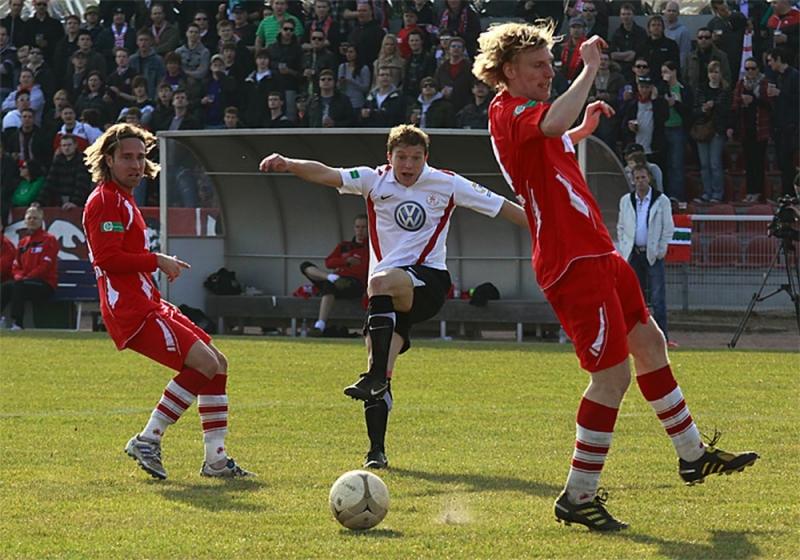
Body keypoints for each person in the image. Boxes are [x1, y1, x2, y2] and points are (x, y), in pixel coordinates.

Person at [473, 20, 758, 531]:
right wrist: (589, 70)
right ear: (509, 70)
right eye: (538, 66)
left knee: (649, 343)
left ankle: (692, 454)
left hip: (596, 251)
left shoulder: (529, 116)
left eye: (550, 65)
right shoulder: (507, 110)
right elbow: (549, 128)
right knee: (611, 376)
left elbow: (553, 140)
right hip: (571, 260)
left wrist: (581, 130)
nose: (548, 74)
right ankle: (577, 496)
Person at [258, 124, 528, 469]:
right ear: (389, 157)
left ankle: (373, 379)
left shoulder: (447, 183)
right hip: (385, 297)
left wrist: (551, 230)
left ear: (426, 158)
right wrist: (289, 163)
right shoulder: (374, 180)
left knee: (380, 282)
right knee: (380, 362)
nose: (408, 164)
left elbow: (503, 207)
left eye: (416, 158)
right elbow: (327, 174)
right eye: (402, 157)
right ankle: (376, 452)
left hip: (427, 282)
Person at [82, 123, 253, 480]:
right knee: (205, 364)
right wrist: (156, 259)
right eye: (127, 157)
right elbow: (107, 259)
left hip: (149, 303)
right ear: (109, 160)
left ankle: (216, 460)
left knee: (218, 364)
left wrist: (154, 263)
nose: (136, 165)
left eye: (140, 157)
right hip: (131, 310)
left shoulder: (122, 198)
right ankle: (148, 438)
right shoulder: (105, 200)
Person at [617, 165, 676, 346]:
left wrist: (660, 249)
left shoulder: (661, 200)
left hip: (652, 254)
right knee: (637, 298)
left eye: (643, 177)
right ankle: (638, 339)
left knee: (658, 298)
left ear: (649, 178)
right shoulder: (626, 200)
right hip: (634, 254)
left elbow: (668, 227)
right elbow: (621, 226)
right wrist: (625, 246)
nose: (640, 181)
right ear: (633, 180)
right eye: (637, 178)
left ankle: (662, 339)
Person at [300, 214, 369, 337]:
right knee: (305, 266)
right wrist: (345, 261)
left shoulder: (370, 248)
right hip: (336, 279)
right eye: (358, 227)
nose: (360, 230)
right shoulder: (344, 246)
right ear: (354, 228)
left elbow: (363, 269)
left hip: (354, 283)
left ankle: (320, 325)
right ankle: (330, 277)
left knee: (330, 285)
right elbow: (329, 262)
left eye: (364, 227)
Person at [0, 205, 59, 330]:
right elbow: (15, 265)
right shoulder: (23, 243)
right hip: (25, 282)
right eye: (29, 218)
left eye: (35, 218)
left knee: (18, 285)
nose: (32, 221)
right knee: (6, 287)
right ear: (25, 222)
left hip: (44, 284)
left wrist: (27, 277)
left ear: (41, 221)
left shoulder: (49, 240)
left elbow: (46, 265)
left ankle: (17, 323)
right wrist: (19, 276)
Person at [731, 57, 772, 203]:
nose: (750, 71)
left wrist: (754, 100)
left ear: (758, 69)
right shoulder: (741, 84)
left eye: (753, 68)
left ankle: (759, 193)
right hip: (745, 129)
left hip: (761, 129)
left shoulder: (764, 84)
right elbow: (734, 105)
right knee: (748, 163)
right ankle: (750, 192)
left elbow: (770, 105)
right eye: (747, 69)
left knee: (759, 163)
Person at [692, 60, 733, 203]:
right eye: (711, 72)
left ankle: (717, 193)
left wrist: (715, 105)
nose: (713, 75)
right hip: (702, 129)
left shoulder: (726, 90)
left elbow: (728, 111)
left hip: (718, 129)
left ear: (721, 74)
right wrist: (702, 109)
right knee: (704, 164)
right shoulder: (701, 89)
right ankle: (706, 192)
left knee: (715, 163)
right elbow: (694, 110)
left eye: (716, 72)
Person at [766, 47, 799, 198]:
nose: (769, 64)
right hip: (779, 126)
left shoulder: (795, 76)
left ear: (778, 59)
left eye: (770, 60)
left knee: (788, 163)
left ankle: (790, 193)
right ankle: (786, 193)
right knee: (782, 163)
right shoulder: (777, 77)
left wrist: (780, 94)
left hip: (791, 126)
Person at [659, 60, 693, 202]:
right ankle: (664, 194)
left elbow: (689, 111)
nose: (664, 75)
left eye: (667, 72)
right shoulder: (661, 88)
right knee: (665, 163)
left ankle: (676, 195)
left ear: (674, 72)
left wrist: (675, 104)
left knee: (676, 164)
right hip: (663, 128)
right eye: (662, 72)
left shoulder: (683, 89)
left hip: (678, 128)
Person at [38, 134, 92, 209]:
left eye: (69, 145)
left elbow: (82, 184)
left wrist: (75, 202)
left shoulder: (83, 160)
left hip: (79, 204)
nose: (66, 148)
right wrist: (39, 202)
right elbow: (50, 182)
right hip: (60, 201)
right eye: (64, 145)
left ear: (75, 145)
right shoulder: (57, 161)